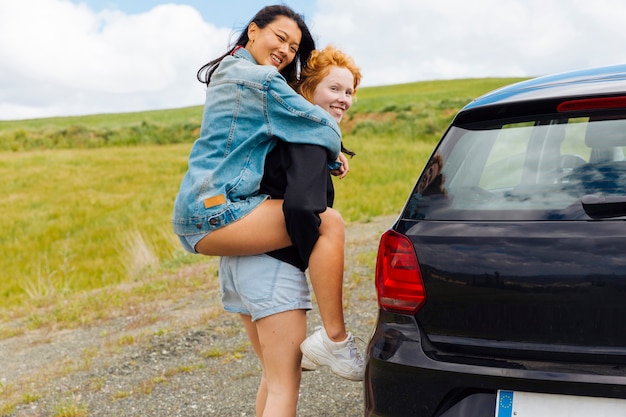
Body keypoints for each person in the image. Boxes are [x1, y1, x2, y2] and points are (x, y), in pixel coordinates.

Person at [172, 5, 362, 380]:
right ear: (253, 31)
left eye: (293, 48)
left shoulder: (227, 71)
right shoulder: (261, 80)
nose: (286, 51)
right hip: (218, 211)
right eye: (281, 38)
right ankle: (336, 341)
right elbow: (319, 123)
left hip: (197, 209)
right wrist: (333, 150)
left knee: (273, 380)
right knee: (330, 224)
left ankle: (334, 341)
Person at [219, 45, 362, 417]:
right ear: (308, 89)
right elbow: (300, 206)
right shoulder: (312, 131)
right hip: (270, 269)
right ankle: (336, 339)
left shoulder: (283, 128)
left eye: (349, 91)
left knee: (275, 376)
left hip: (238, 264)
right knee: (285, 388)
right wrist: (305, 251)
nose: (343, 98)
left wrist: (333, 156)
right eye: (334, 88)